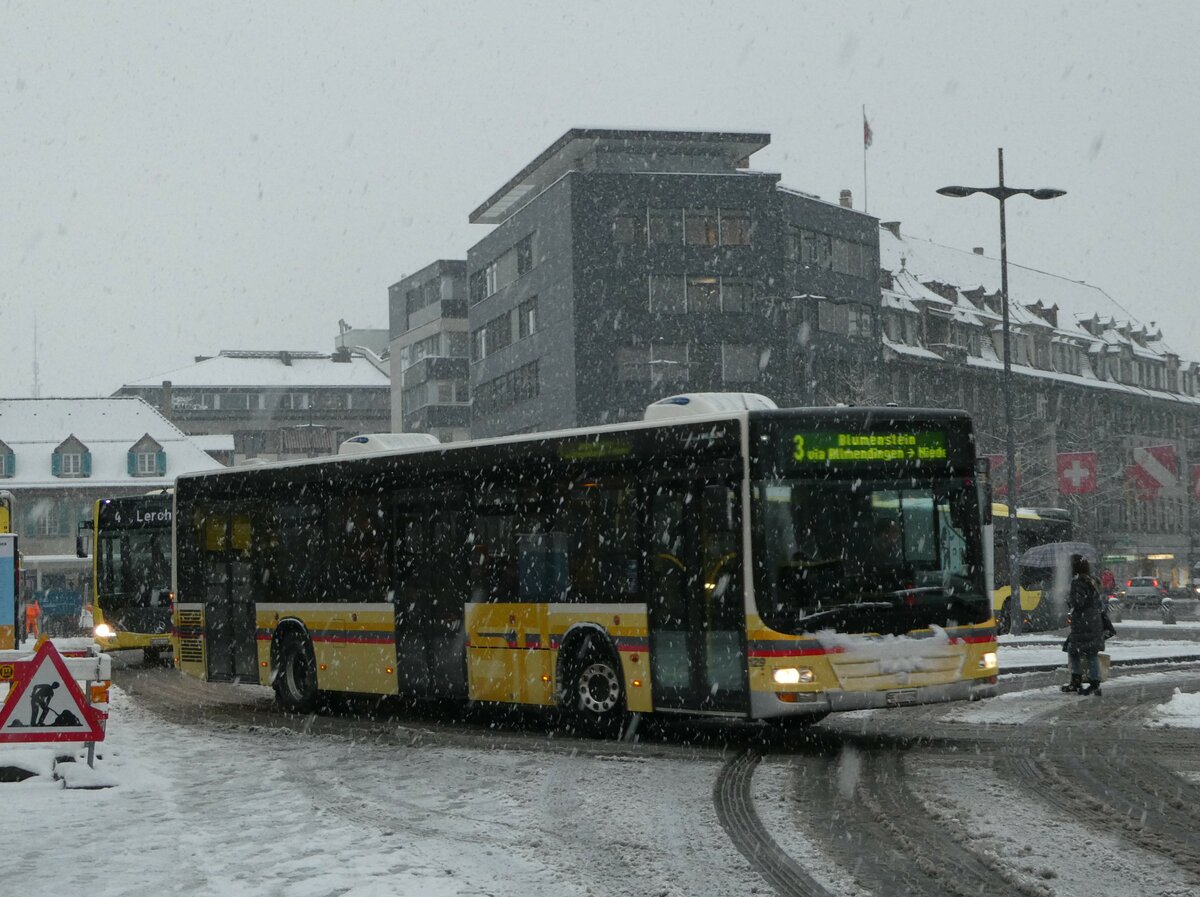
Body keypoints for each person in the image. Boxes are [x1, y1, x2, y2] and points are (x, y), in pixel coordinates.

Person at [1062, 554, 1106, 696]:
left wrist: (1068, 600)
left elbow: (1078, 603)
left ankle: (1076, 681)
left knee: (1073, 651)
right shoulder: (1093, 581)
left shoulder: (1077, 583)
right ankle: (1095, 684)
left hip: (1082, 622)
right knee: (1091, 653)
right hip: (1094, 621)